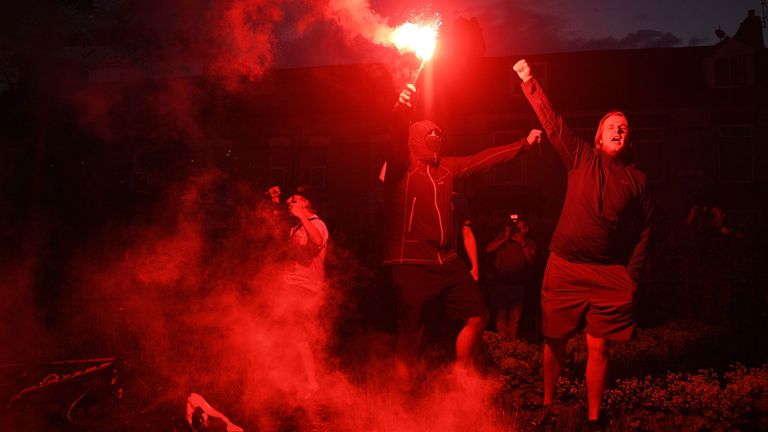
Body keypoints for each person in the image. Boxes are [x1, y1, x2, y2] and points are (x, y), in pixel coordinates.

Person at [513, 59, 652, 430]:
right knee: (555, 339)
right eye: (611, 127)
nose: (618, 131)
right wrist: (530, 82)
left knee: (599, 346)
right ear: (598, 136)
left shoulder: (637, 180)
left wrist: (632, 274)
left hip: (608, 273)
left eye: (624, 128)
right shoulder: (580, 158)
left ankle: (593, 419)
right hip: (565, 265)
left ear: (628, 139)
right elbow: (553, 123)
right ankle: (547, 405)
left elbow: (646, 230)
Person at [382, 83, 543, 388]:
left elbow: (482, 159)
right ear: (414, 139)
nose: (435, 140)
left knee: (478, 315)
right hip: (410, 260)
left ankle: (461, 379)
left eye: (438, 137)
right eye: (429, 136)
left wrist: (524, 144)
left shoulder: (447, 169)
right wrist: (400, 109)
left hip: (446, 260)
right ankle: (402, 397)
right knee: (411, 333)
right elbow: (393, 137)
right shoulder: (400, 170)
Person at [283, 185, 329, 399]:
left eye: (294, 200)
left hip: (307, 289)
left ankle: (312, 383)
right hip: (292, 286)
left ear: (306, 203)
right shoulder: (295, 227)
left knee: (301, 336)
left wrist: (302, 217)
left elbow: (318, 241)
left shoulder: (317, 224)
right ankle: (305, 381)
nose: (289, 203)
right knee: (293, 335)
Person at [485, 215, 536, 340]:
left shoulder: (529, 243)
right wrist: (504, 238)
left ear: (526, 230)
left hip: (518, 286)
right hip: (500, 284)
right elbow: (488, 249)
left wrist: (522, 243)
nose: (516, 231)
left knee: (515, 319)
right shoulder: (503, 239)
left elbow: (531, 261)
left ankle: (511, 345)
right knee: (500, 317)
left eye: (519, 229)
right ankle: (503, 345)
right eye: (515, 228)